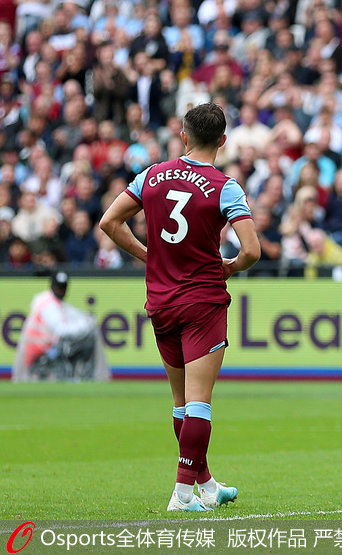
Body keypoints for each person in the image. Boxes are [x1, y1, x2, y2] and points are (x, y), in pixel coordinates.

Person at [99, 103, 260, 512]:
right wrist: (231, 266)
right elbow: (252, 251)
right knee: (200, 401)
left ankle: (206, 484)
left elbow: (109, 223)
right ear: (223, 141)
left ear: (183, 136)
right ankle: (182, 495)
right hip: (202, 301)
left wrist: (148, 254)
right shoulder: (225, 187)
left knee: (181, 403)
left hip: (161, 302)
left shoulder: (151, 175)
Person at [13, 271, 108, 382]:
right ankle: (85, 377)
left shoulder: (50, 301)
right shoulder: (48, 305)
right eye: (58, 287)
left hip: (43, 349)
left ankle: (79, 376)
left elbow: (73, 313)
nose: (61, 290)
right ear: (52, 286)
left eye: (63, 287)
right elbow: (62, 331)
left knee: (75, 341)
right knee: (85, 340)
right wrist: (86, 326)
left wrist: (87, 321)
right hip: (42, 352)